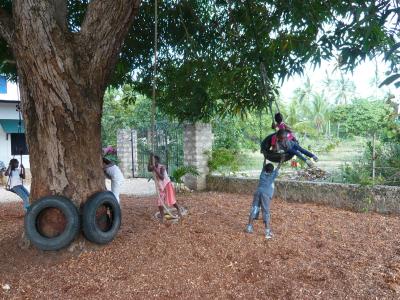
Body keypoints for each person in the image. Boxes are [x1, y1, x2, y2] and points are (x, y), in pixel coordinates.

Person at [246, 162, 281, 239]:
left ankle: (249, 227)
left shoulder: (262, 174)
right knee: (266, 211)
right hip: (265, 194)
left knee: (254, 208)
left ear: (265, 169)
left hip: (258, 192)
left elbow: (263, 166)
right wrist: (281, 160)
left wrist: (265, 158)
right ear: (272, 170)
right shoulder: (272, 175)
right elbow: (278, 167)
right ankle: (267, 231)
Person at [148, 154, 182, 223]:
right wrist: (150, 158)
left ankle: (178, 209)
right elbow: (149, 169)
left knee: (171, 200)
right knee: (160, 202)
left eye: (154, 161)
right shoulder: (153, 167)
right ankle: (162, 216)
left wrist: (155, 169)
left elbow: (162, 177)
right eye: (152, 161)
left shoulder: (162, 167)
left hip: (167, 185)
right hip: (160, 187)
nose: (153, 162)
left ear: (157, 161)